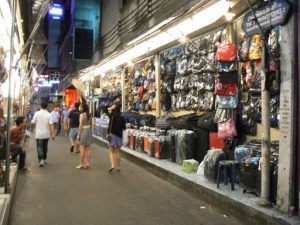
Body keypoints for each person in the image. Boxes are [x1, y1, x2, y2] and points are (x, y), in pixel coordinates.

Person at [31, 102, 55, 167]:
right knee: (45, 147)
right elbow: (51, 125)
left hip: (39, 134)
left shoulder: (37, 113)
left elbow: (33, 122)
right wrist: (53, 134)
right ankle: (44, 158)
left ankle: (41, 159)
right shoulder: (49, 114)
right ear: (46, 107)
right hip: (46, 134)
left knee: (39, 147)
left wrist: (31, 130)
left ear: (41, 106)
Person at [107, 105, 126, 172]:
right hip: (119, 136)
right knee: (118, 151)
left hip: (112, 135)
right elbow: (124, 128)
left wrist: (111, 108)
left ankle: (112, 165)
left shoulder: (112, 116)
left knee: (111, 151)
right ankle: (118, 166)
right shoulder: (122, 118)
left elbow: (104, 110)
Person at [76, 103, 94, 169]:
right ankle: (88, 163)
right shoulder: (90, 114)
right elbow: (91, 125)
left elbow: (80, 125)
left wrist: (78, 134)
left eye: (80, 107)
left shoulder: (81, 115)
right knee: (88, 148)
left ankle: (81, 163)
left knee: (82, 148)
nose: (79, 108)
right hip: (89, 131)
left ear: (83, 108)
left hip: (83, 131)